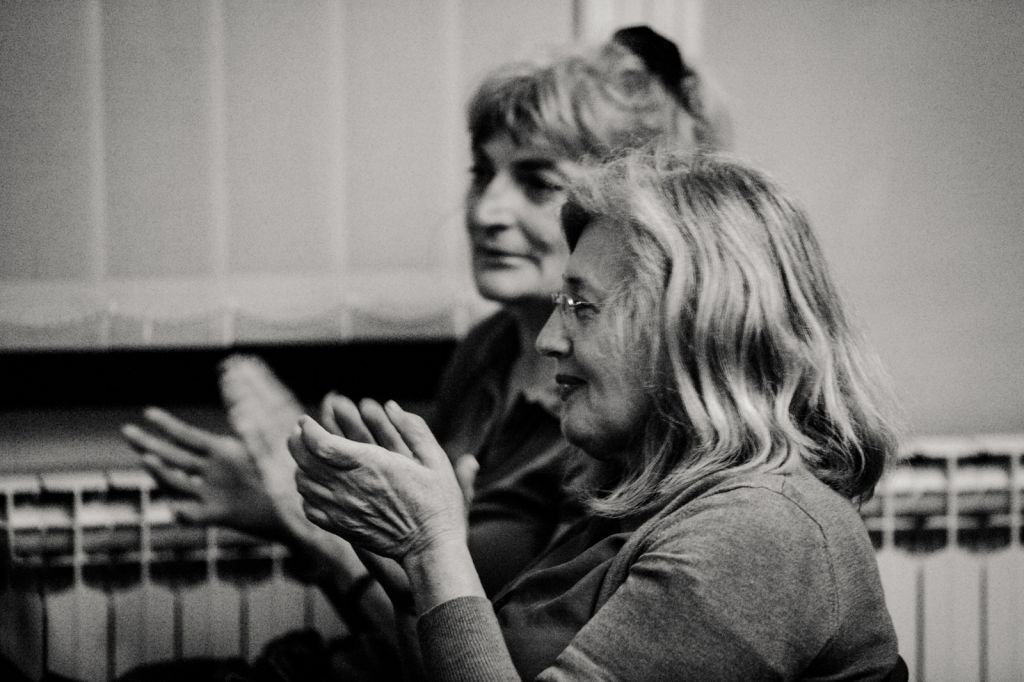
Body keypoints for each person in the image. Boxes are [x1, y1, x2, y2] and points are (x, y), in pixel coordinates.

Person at [119, 25, 729, 675]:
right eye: (482, 173)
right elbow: (399, 603)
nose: (486, 211)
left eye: (537, 183)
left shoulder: (609, 415)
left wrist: (309, 528)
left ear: (620, 212)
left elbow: (481, 655)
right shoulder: (485, 352)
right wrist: (290, 509)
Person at [289, 150, 906, 680]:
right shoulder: (635, 499)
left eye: (581, 306)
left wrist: (435, 552)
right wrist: (417, 587)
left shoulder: (759, 532)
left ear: (693, 330)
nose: (548, 340)